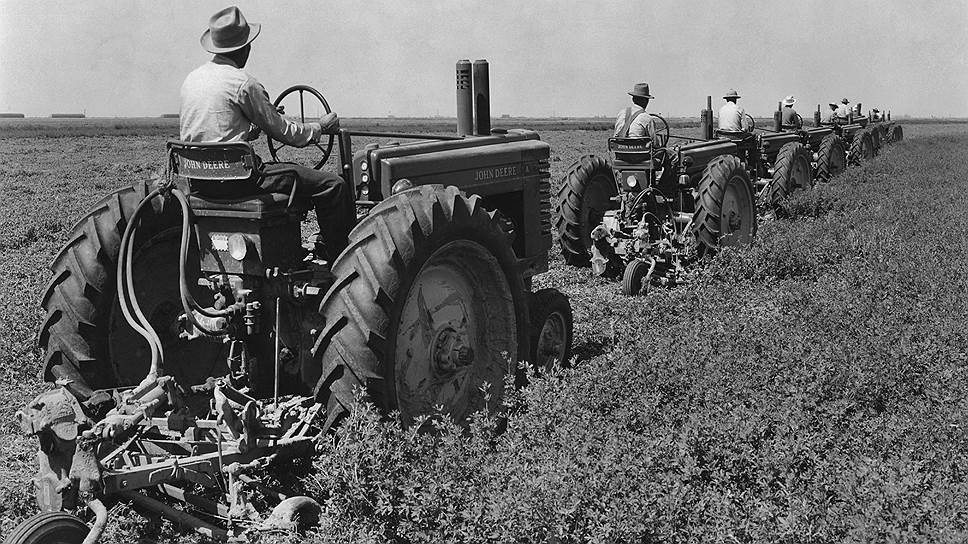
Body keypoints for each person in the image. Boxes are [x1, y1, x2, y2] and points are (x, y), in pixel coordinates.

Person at [180, 6, 353, 261]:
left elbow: (213, 131)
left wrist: (252, 130)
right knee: (333, 186)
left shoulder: (191, 80)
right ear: (245, 48)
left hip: (200, 181)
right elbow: (285, 132)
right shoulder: (243, 83)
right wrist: (319, 129)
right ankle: (344, 262)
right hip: (239, 182)